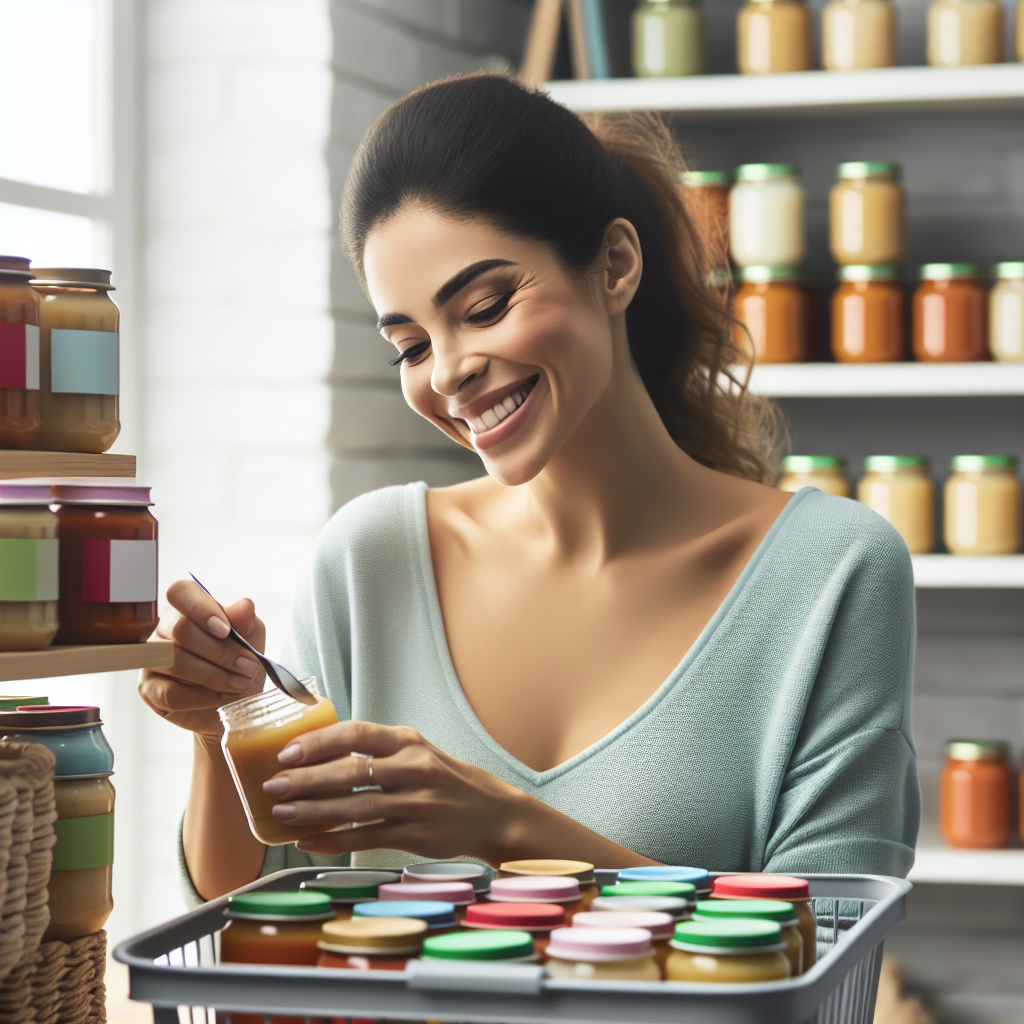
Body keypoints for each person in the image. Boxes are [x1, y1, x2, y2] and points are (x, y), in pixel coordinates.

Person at [140, 74, 920, 903]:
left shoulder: (833, 571)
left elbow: (832, 940)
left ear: (614, 266)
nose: (449, 372)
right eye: (410, 346)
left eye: (484, 305)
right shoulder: (369, 561)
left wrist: (504, 828)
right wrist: (214, 730)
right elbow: (255, 908)